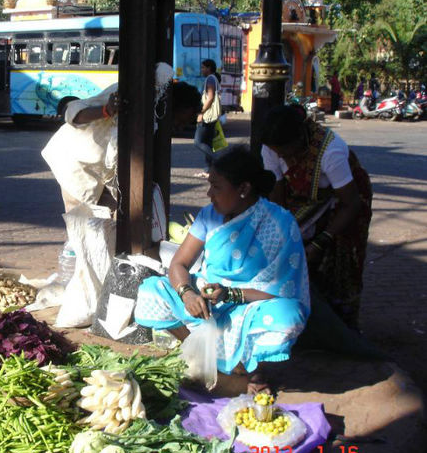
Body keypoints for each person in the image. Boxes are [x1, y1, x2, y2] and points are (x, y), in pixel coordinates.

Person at [134, 145, 309, 393]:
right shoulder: (209, 216)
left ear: (244, 189)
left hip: (249, 305)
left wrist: (232, 294)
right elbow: (179, 264)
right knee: (151, 290)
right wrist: (187, 293)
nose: (208, 193)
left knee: (287, 316)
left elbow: (283, 288)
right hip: (207, 299)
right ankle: (200, 355)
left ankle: (249, 370)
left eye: (216, 187)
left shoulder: (279, 224)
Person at [261, 104, 372, 329]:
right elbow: (278, 195)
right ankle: (303, 322)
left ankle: (342, 328)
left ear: (300, 138)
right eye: (278, 152)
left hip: (345, 201)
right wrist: (283, 234)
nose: (283, 157)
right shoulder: (270, 148)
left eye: (287, 152)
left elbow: (351, 203)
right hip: (303, 199)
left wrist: (322, 241)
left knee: (340, 261)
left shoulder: (331, 151)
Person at [42, 80, 201, 213]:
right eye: (182, 121)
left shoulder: (155, 121)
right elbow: (72, 112)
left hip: (100, 173)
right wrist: (106, 110)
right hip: (73, 163)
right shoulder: (126, 94)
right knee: (86, 227)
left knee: (110, 222)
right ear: (178, 107)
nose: (180, 127)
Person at [193, 59, 221, 158]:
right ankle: (208, 169)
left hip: (207, 115)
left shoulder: (210, 79)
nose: (202, 70)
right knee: (208, 143)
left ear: (209, 68)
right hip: (211, 115)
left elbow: (210, 98)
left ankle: (217, 161)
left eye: (203, 67)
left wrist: (201, 113)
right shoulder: (213, 78)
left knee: (198, 142)